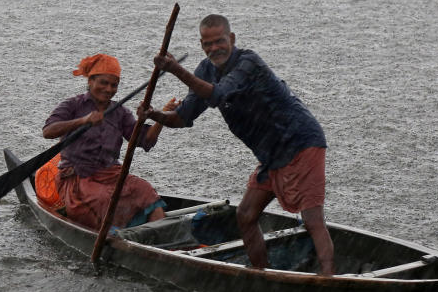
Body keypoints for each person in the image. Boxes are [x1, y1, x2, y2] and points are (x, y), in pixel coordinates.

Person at [142, 15, 336, 275]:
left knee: (313, 220)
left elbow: (218, 94)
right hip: (271, 155)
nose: (214, 49)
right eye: (208, 44)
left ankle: (328, 279)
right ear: (201, 45)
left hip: (301, 142)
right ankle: (261, 275)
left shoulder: (248, 62)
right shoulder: (205, 70)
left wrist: (176, 69)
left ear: (231, 39)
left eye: (220, 42)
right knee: (245, 215)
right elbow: (182, 117)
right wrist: (153, 114)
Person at [43, 53, 176, 231]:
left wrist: (160, 117)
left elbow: (145, 141)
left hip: (112, 174)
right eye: (103, 83)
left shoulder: (120, 112)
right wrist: (83, 121)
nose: (109, 89)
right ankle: (118, 237)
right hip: (78, 178)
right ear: (90, 82)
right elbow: (48, 131)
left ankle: (160, 239)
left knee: (145, 190)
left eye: (114, 85)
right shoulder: (73, 105)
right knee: (103, 199)